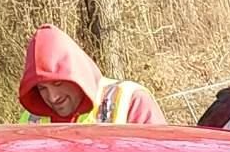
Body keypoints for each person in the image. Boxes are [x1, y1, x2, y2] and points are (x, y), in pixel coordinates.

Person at [18, 25, 162, 125]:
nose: (53, 97)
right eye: (42, 88)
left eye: (58, 83)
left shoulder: (130, 100)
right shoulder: (31, 120)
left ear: (77, 74)